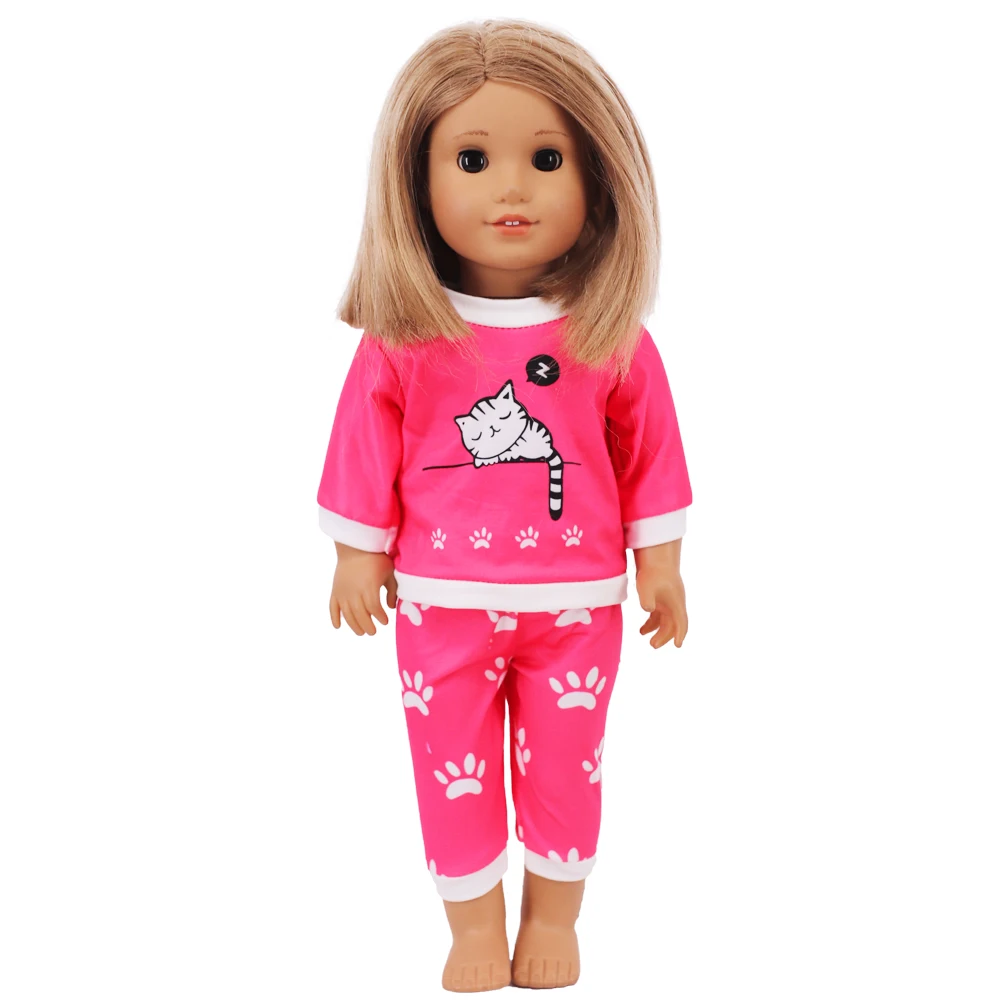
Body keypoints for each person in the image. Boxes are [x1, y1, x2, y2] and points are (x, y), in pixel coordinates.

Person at [317, 18, 692, 992]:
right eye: (472, 159)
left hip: (576, 602)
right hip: (440, 599)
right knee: (451, 765)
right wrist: (357, 551)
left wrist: (660, 560)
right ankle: (473, 923)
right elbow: (364, 440)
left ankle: (555, 917)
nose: (511, 189)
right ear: (417, 180)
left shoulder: (604, 332)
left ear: (599, 176)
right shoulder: (408, 333)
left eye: (546, 158)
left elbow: (649, 450)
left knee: (568, 763)